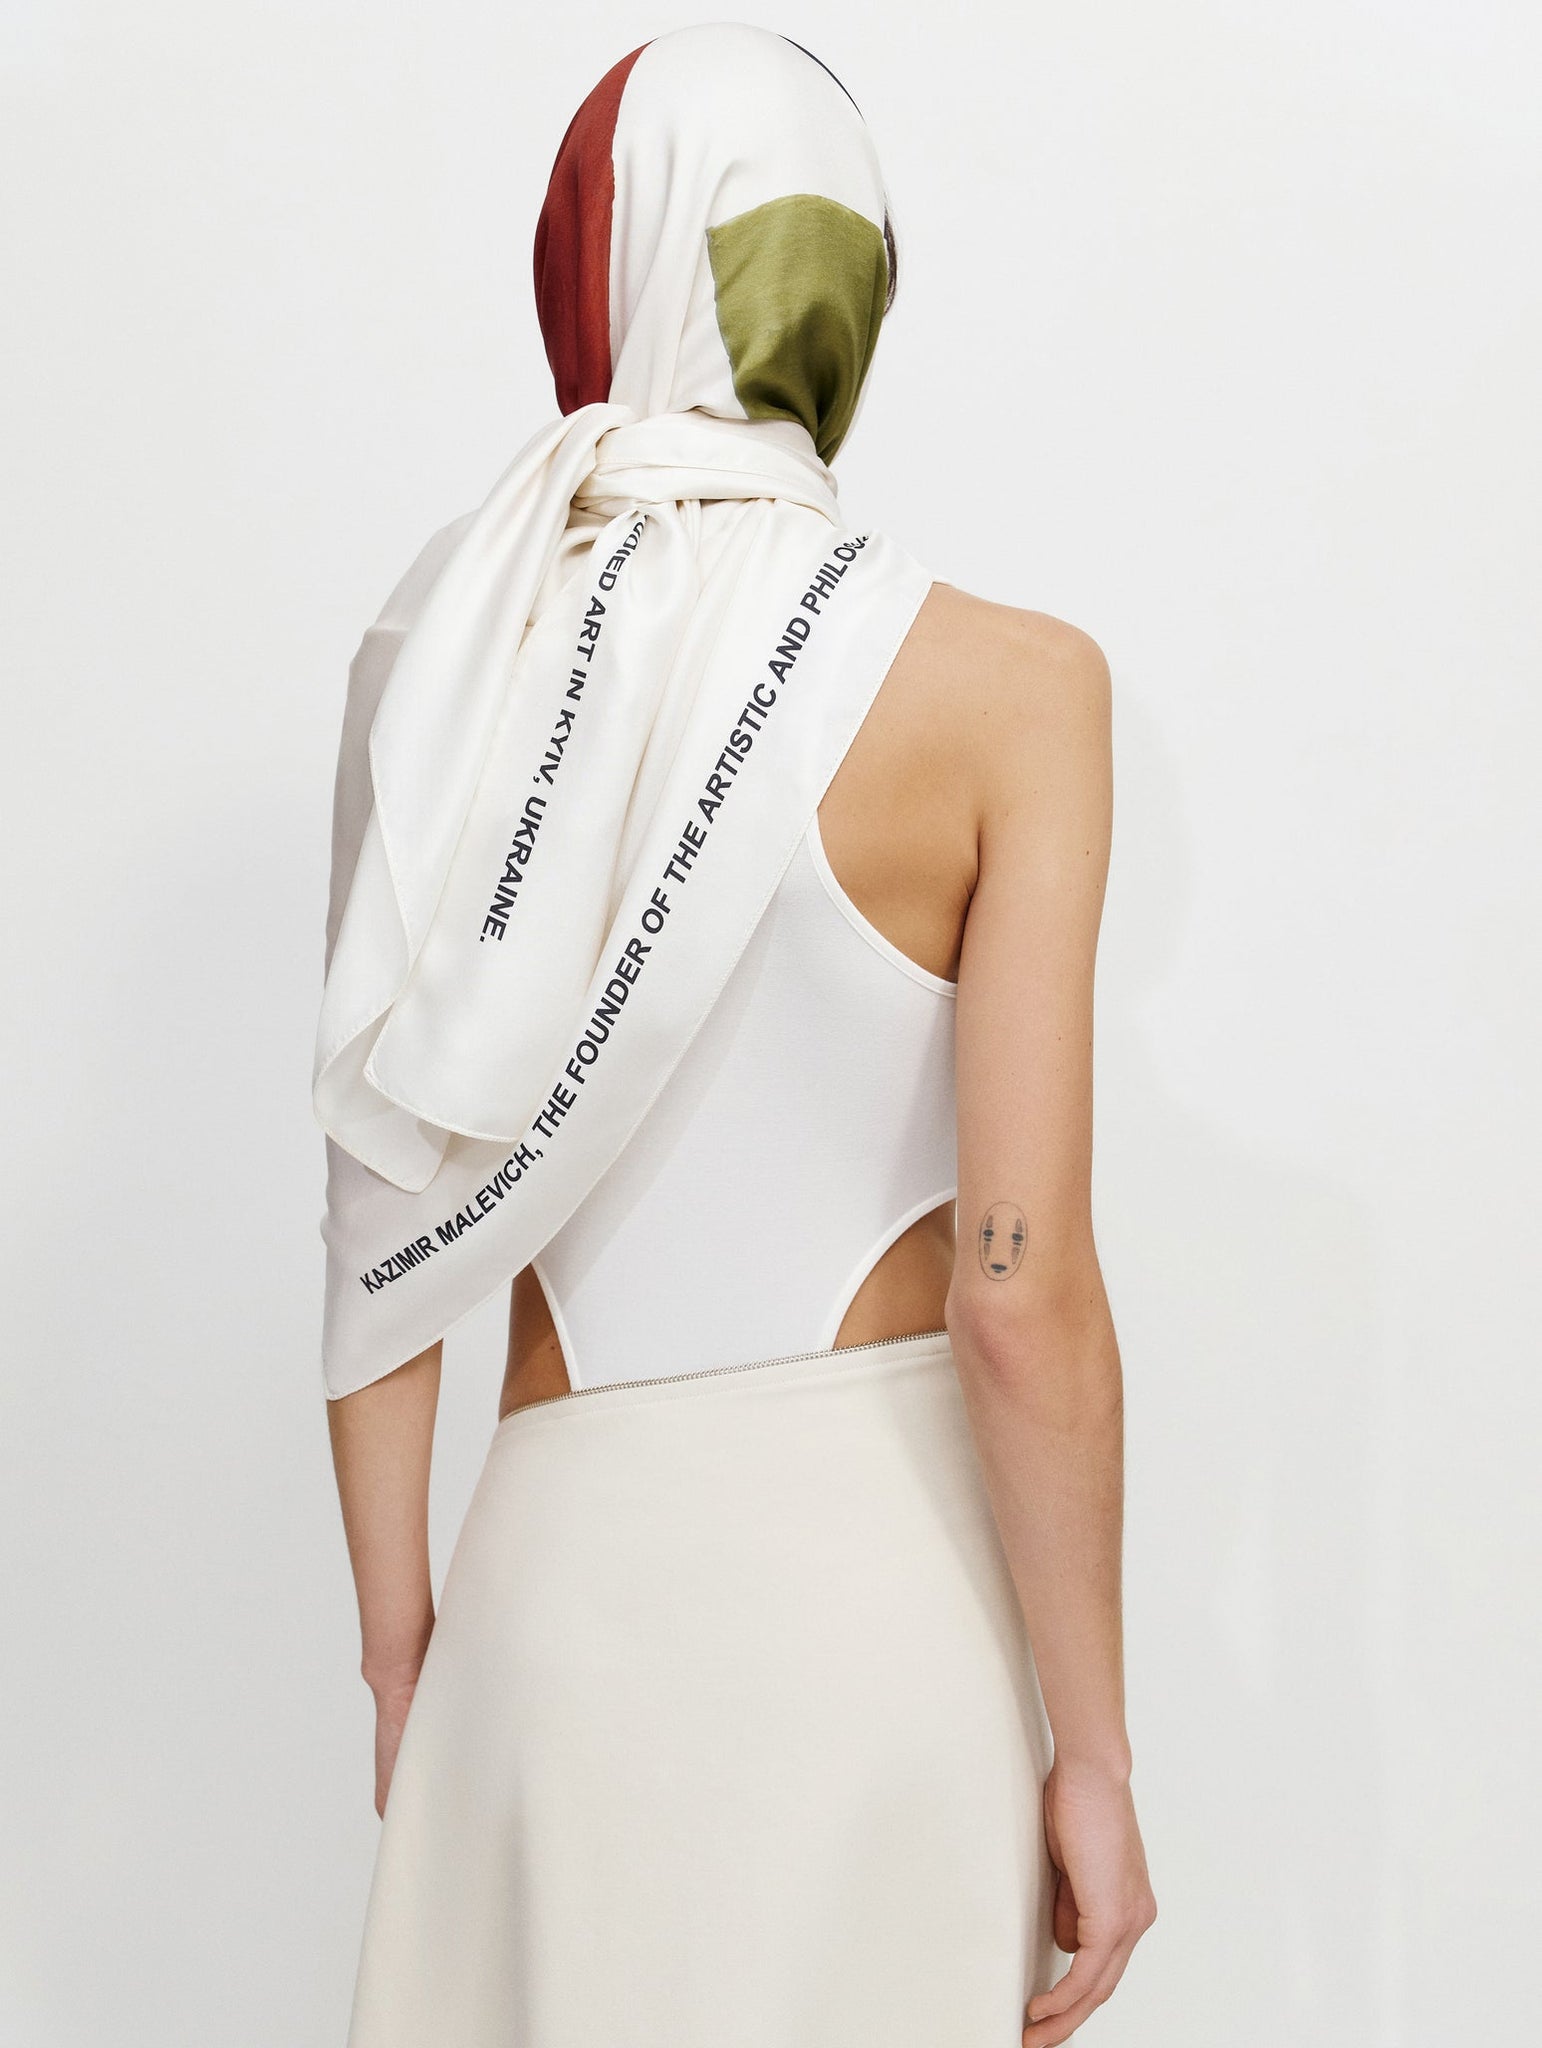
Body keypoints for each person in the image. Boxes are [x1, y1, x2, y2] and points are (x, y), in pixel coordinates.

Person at [318, 24, 1155, 2048]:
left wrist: (407, 1652)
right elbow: (1018, 1295)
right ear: (850, 283)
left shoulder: (439, 661)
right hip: (877, 1611)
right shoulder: (1014, 688)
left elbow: (371, 1218)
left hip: (548, 1605)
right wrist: (1096, 1747)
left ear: (590, 272)